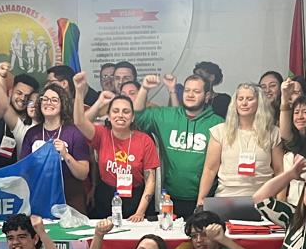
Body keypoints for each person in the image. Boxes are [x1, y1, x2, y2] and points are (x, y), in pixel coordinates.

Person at [134, 73, 223, 216]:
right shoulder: (166, 116)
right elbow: (138, 115)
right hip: (170, 198)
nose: (190, 95)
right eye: (187, 90)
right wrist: (144, 89)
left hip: (205, 199)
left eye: (196, 91)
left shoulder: (218, 123)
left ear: (207, 96)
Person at [75, 90, 158, 221]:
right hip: (106, 196)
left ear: (133, 117)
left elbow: (150, 180)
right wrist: (87, 95)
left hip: (136, 198)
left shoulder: (144, 140)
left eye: (126, 111)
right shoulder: (101, 134)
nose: (120, 115)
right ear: (108, 116)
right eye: (115, 111)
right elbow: (80, 122)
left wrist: (140, 212)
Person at [196, 81, 282, 205]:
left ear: (259, 103)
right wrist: (201, 200)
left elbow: (279, 171)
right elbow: (210, 169)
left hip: (263, 200)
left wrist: (281, 202)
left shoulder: (273, 132)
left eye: (249, 99)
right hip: (226, 198)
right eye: (240, 99)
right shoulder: (220, 131)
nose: (244, 103)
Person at [21, 80, 91, 211]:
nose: (48, 103)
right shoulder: (32, 133)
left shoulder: (74, 133)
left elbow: (83, 174)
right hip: (40, 196)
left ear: (63, 104)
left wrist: (65, 154)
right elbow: (23, 170)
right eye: (45, 99)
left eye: (54, 100)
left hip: (70, 198)